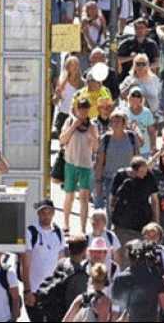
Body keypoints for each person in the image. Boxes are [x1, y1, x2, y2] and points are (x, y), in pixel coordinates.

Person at [60, 97, 100, 234]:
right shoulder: (69, 121)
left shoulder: (92, 126)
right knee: (69, 195)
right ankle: (66, 224)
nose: (83, 111)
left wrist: (93, 137)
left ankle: (82, 228)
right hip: (70, 163)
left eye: (85, 108)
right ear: (76, 109)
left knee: (84, 197)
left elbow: (95, 148)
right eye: (81, 108)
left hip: (85, 165)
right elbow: (62, 140)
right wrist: (74, 126)